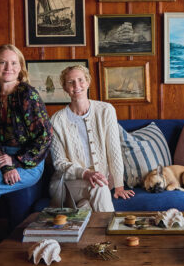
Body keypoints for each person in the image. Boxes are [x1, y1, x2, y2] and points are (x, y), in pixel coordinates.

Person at [0, 44, 53, 266]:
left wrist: (15, 162)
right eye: (3, 62)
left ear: (20, 67)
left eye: (14, 63)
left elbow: (45, 138)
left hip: (29, 164)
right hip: (0, 161)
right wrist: (5, 166)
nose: (8, 67)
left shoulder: (27, 94)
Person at [49, 65, 134, 212]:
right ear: (64, 87)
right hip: (68, 183)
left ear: (88, 82)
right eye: (70, 82)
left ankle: (82, 209)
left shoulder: (106, 110)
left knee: (87, 204)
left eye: (80, 80)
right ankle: (111, 232)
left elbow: (113, 151)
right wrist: (85, 173)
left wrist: (119, 185)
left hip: (101, 179)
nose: (76, 86)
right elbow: (59, 163)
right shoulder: (56, 121)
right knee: (100, 188)